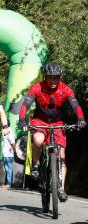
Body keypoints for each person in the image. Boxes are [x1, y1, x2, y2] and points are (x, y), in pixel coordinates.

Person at [18, 63, 86, 202]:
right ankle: (36, 166)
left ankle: (60, 188)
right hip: (40, 121)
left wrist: (81, 118)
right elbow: (25, 104)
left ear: (60, 77)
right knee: (37, 140)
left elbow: (75, 104)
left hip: (58, 123)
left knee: (61, 155)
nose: (53, 81)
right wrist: (22, 120)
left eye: (56, 77)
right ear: (45, 77)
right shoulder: (37, 87)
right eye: (50, 78)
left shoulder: (65, 89)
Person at [2, 119, 16, 188]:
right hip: (6, 153)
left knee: (8, 169)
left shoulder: (9, 131)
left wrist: (14, 151)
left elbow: (12, 142)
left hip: (8, 153)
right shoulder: (5, 131)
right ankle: (6, 183)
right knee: (6, 169)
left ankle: (9, 184)